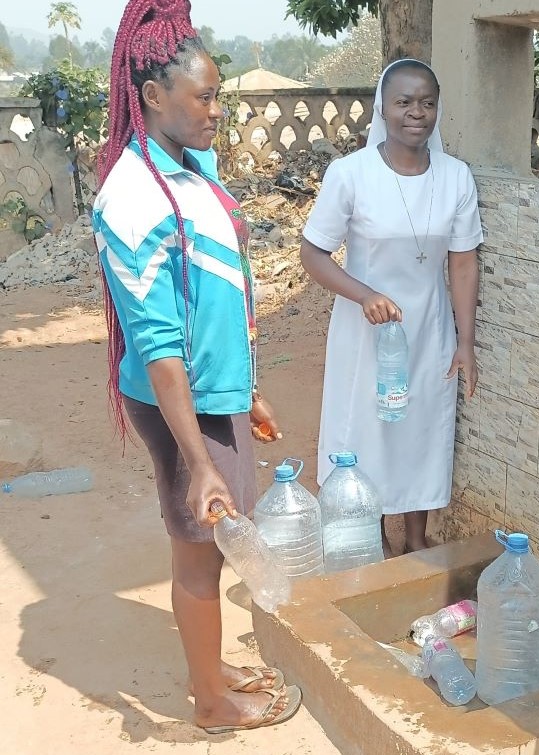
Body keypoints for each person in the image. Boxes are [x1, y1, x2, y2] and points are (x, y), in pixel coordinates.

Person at [92, 0, 301, 734]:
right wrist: (198, 458)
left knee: (211, 543)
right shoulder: (130, 197)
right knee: (199, 554)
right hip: (180, 402)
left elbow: (213, 301)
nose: (218, 110)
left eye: (219, 94)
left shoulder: (190, 164)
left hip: (215, 393)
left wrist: (247, 392)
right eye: (205, 97)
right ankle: (211, 703)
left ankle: (208, 669)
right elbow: (160, 347)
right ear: (152, 95)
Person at [300, 59, 483, 553]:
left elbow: (462, 265)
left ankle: (415, 539)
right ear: (383, 107)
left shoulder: (456, 177)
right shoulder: (351, 174)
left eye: (426, 102)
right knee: (366, 430)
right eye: (404, 102)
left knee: (420, 428)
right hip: (366, 333)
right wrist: (364, 294)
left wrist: (465, 342)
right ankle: (372, 538)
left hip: (428, 330)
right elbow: (312, 253)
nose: (416, 113)